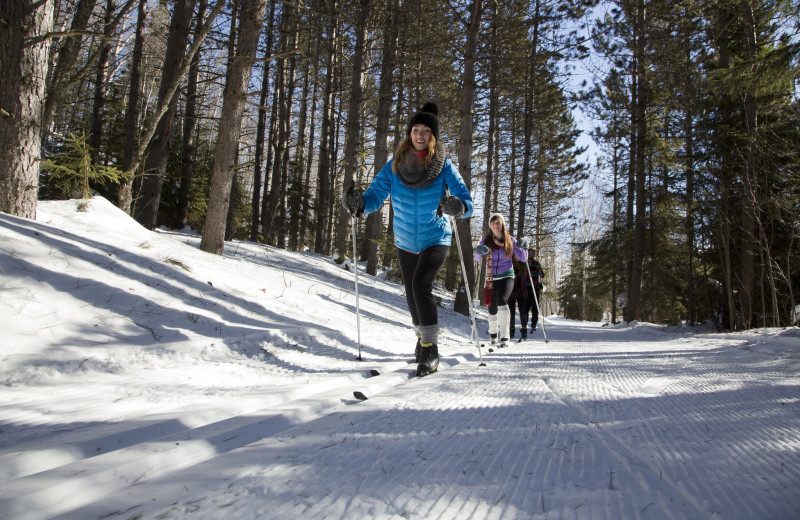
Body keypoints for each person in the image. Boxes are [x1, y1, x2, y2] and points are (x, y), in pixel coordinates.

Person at [342, 102, 474, 377]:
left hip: (435, 237)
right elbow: (375, 196)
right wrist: (358, 203)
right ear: (409, 133)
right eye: (416, 129)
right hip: (404, 241)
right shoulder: (394, 166)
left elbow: (465, 198)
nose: (420, 135)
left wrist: (458, 206)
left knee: (420, 285)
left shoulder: (443, 166)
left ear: (433, 136)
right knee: (412, 295)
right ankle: (421, 336)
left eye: (426, 131)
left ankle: (430, 350)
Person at [474, 214, 528, 347]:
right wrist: (479, 251)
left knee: (502, 300)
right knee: (491, 305)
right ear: (490, 226)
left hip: (507, 274)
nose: (495, 225)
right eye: (493, 223)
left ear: (502, 224)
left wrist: (524, 248)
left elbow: (523, 258)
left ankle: (505, 336)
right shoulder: (486, 240)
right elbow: (477, 258)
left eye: (498, 223)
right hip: (491, 276)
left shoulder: (510, 240)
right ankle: (493, 336)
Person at [524, 249, 545, 331]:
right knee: (526, 305)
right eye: (529, 253)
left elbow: (542, 275)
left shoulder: (536, 263)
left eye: (532, 253)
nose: (530, 254)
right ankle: (524, 323)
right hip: (526, 286)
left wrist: (541, 273)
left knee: (535, 305)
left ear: (534, 254)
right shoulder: (524, 263)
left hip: (535, 286)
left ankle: (534, 323)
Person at [507, 257, 528, 340]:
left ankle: (524, 329)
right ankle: (511, 330)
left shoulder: (524, 264)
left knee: (522, 311)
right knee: (511, 312)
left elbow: (526, 277)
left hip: (521, 291)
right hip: (511, 291)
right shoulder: (510, 263)